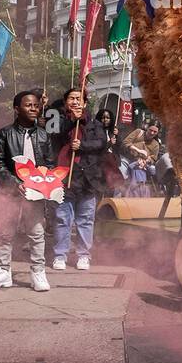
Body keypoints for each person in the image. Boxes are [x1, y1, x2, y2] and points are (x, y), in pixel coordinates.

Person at [0, 91, 55, 292]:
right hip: (10, 191)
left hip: (35, 193)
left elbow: (49, 163)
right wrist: (16, 183)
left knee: (37, 233)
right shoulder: (5, 134)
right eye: (28, 105)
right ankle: (3, 271)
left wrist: (40, 182)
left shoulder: (43, 134)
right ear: (16, 109)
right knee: (6, 233)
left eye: (36, 105)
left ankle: (38, 272)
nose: (34, 109)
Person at [51, 87, 104, 271]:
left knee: (86, 219)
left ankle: (83, 255)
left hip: (87, 177)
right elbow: (52, 139)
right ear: (66, 103)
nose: (75, 102)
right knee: (62, 218)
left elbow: (101, 143)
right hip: (64, 176)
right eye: (71, 98)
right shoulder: (57, 120)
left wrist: (83, 145)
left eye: (78, 98)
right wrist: (71, 122)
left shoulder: (95, 124)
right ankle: (60, 255)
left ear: (85, 103)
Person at [122, 119, 163, 195]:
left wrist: (145, 161)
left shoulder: (156, 144)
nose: (152, 133)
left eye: (155, 132)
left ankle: (140, 193)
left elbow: (153, 158)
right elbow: (126, 142)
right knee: (121, 177)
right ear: (147, 127)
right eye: (151, 130)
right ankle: (116, 199)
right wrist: (138, 150)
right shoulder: (138, 132)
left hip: (141, 163)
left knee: (154, 172)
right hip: (127, 159)